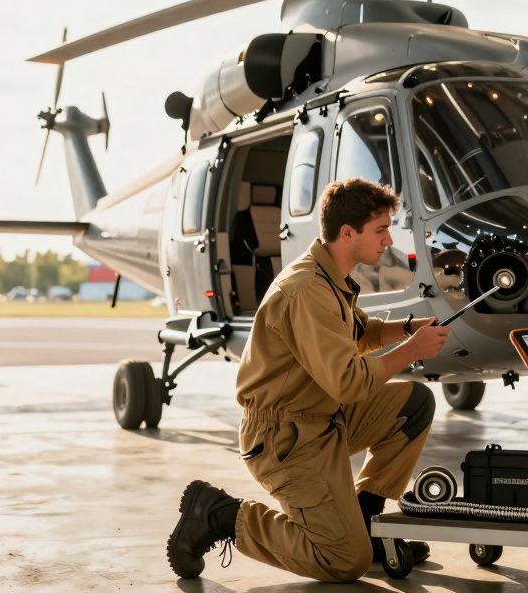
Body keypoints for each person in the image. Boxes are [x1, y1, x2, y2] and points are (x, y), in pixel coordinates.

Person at [165, 178, 451, 581]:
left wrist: (407, 328)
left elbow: (357, 334)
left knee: (414, 403)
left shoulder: (328, 275)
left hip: (321, 419)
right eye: (381, 229)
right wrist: (413, 350)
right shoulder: (307, 290)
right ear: (347, 232)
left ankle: (367, 524)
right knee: (342, 560)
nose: (389, 239)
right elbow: (348, 383)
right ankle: (218, 514)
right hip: (285, 439)